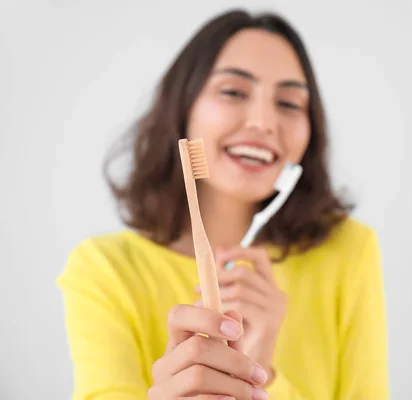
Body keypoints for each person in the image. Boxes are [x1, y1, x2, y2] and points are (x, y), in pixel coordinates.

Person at [56, 8, 389, 400]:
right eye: (233, 91)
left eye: (289, 103)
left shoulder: (348, 250)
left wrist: (258, 374)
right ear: (182, 110)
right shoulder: (104, 270)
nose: (264, 122)